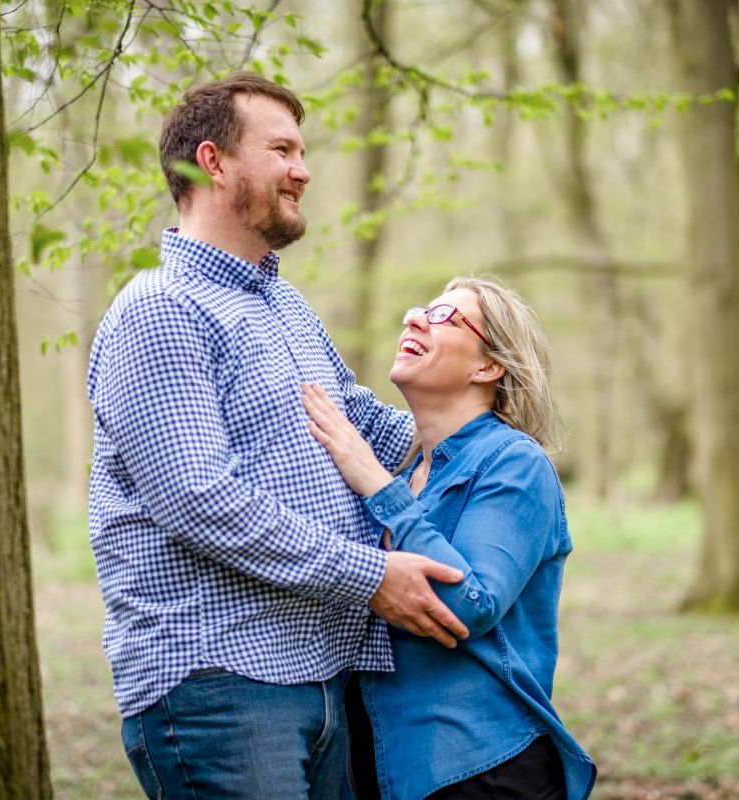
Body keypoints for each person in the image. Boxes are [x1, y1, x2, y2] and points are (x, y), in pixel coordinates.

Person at [86, 72, 471, 800]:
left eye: (303, 151)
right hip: (218, 688)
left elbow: (363, 424)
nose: (303, 170)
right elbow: (201, 500)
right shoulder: (159, 311)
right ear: (213, 161)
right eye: (282, 150)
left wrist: (486, 435)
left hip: (322, 677)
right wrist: (371, 577)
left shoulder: (284, 305)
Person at [302, 277, 597, 800]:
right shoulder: (409, 470)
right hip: (378, 772)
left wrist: (375, 483)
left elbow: (467, 605)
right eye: (420, 308)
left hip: (483, 770)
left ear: (487, 367)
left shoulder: (516, 463)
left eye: (443, 316)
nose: (414, 318)